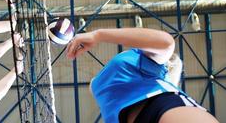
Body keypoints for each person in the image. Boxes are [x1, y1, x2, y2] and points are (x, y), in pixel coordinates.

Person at [66, 28, 219, 123]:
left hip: (162, 110)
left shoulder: (147, 63)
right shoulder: (108, 103)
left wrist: (98, 35)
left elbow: (166, 43)